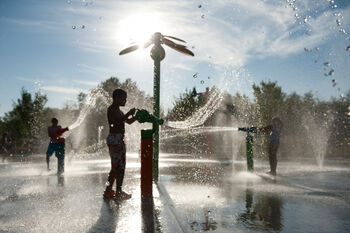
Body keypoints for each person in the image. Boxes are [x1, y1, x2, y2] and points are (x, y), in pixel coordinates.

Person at [103, 89, 136, 200]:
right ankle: (117, 191)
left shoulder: (119, 111)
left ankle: (110, 190)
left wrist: (136, 116)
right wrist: (129, 113)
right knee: (118, 167)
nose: (125, 100)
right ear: (116, 98)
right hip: (115, 139)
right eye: (123, 98)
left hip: (118, 139)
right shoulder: (112, 109)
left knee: (117, 168)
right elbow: (119, 121)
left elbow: (128, 121)